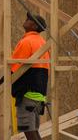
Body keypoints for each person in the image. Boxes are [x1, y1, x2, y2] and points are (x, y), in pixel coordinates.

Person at [8, 12, 50, 140]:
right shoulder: (42, 42)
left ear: (35, 26)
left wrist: (0, 83)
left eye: (30, 19)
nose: (26, 20)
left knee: (29, 131)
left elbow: (15, 69)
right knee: (33, 131)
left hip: (27, 94)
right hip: (38, 95)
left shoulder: (27, 42)